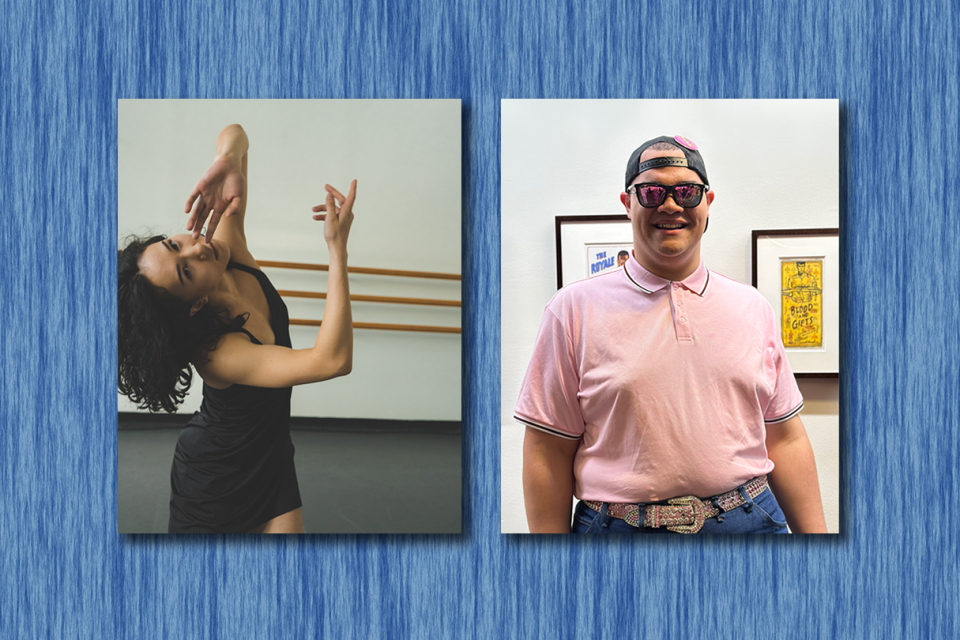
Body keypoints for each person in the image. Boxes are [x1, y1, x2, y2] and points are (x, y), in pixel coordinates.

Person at [515, 135, 827, 534]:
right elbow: (546, 450)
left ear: (707, 203)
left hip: (750, 524)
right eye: (651, 192)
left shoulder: (753, 307)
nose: (670, 204)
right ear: (627, 204)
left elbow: (785, 438)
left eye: (686, 191)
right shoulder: (572, 310)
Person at [118, 124, 356, 533]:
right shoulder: (219, 352)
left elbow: (236, 134)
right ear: (195, 304)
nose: (196, 246)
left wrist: (225, 161)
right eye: (186, 270)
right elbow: (332, 361)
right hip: (214, 484)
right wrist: (338, 251)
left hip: (273, 458)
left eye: (174, 245)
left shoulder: (226, 249)